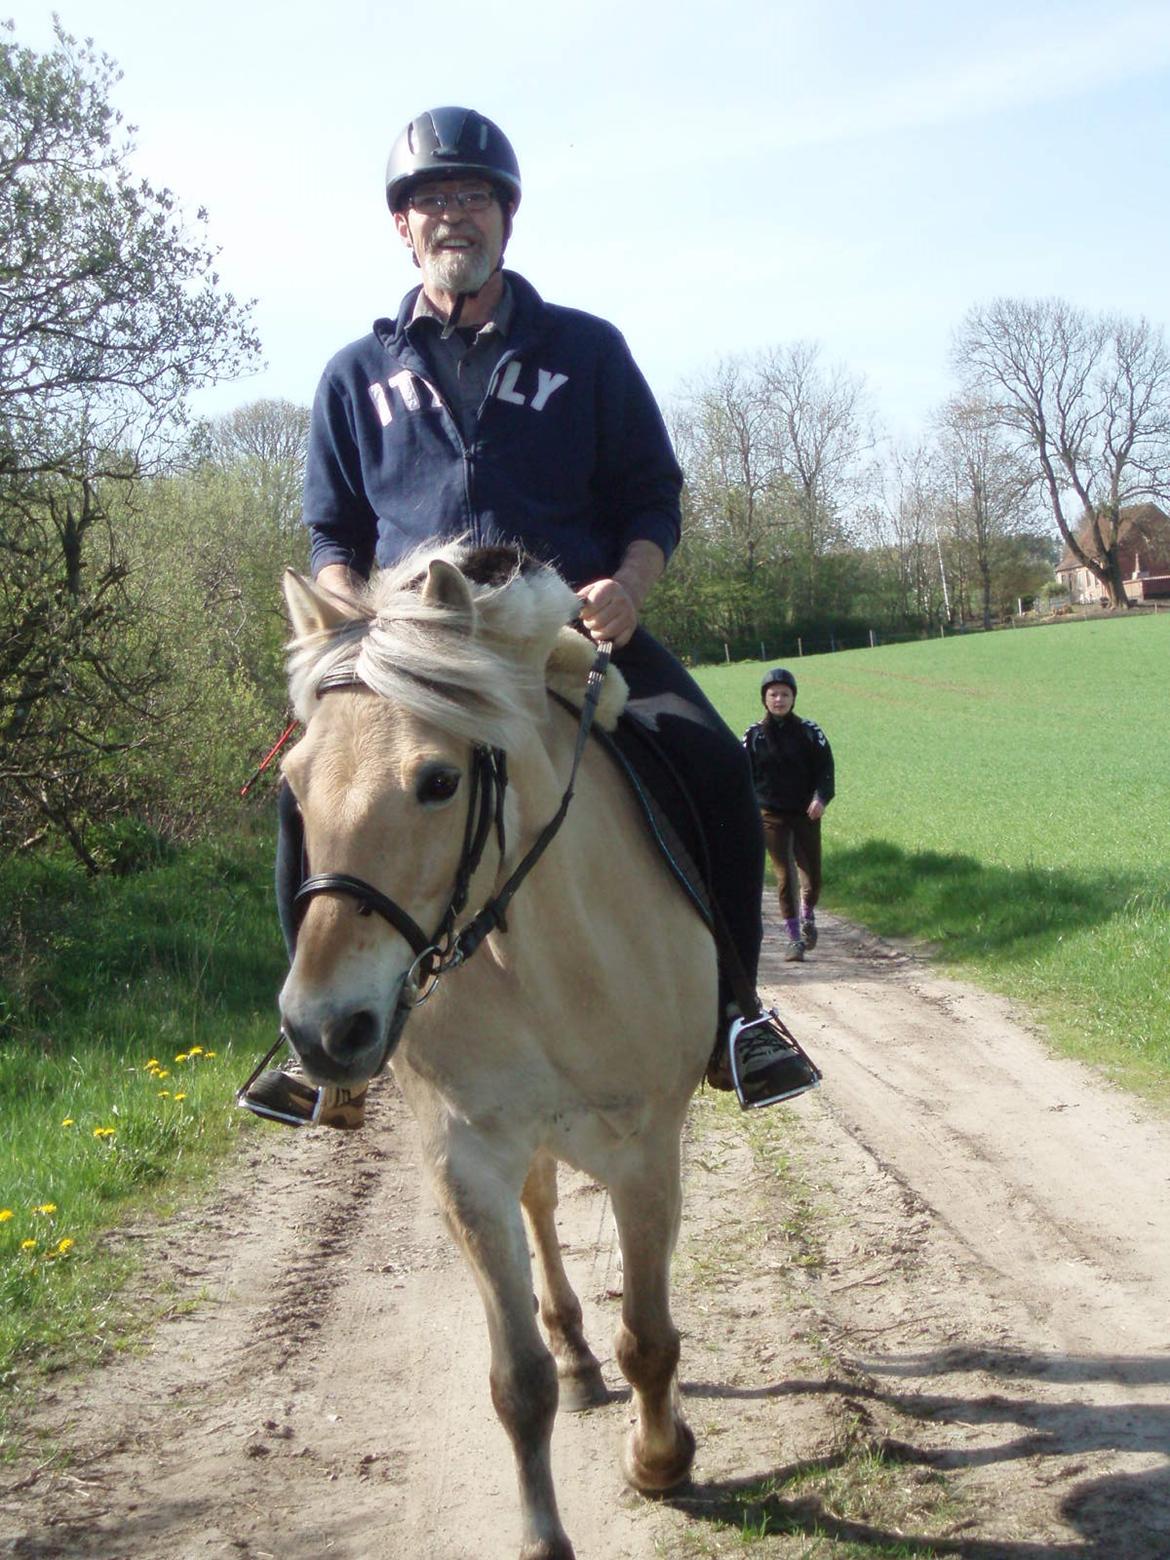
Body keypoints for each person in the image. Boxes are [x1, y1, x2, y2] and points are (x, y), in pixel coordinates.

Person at [241, 106, 819, 1125]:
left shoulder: (587, 351)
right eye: (429, 201)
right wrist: (343, 613)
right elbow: (333, 532)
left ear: (507, 218)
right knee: (304, 791)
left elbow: (652, 496)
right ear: (401, 228)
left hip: (565, 638)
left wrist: (629, 587)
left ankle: (737, 1017)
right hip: (416, 659)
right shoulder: (353, 376)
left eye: (471, 196)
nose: (450, 216)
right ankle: (315, 1040)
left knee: (715, 763)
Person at [744, 668, 835, 961]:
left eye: (784, 694)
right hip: (771, 815)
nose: (779, 699)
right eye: (773, 694)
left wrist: (821, 798)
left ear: (794, 698)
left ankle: (808, 916)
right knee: (785, 878)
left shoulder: (811, 732)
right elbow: (739, 774)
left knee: (813, 876)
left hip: (806, 814)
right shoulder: (752, 736)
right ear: (764, 699)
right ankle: (794, 938)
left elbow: (826, 771)